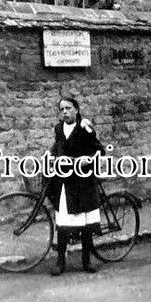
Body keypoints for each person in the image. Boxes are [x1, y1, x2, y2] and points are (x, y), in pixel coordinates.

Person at [46, 95, 105, 275]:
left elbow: (99, 150)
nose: (65, 112)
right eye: (62, 109)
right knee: (63, 223)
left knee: (86, 224)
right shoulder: (59, 128)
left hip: (83, 181)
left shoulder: (84, 128)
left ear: (76, 110)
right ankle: (60, 262)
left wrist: (87, 161)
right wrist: (49, 154)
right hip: (65, 181)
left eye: (68, 108)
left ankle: (86, 261)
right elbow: (58, 146)